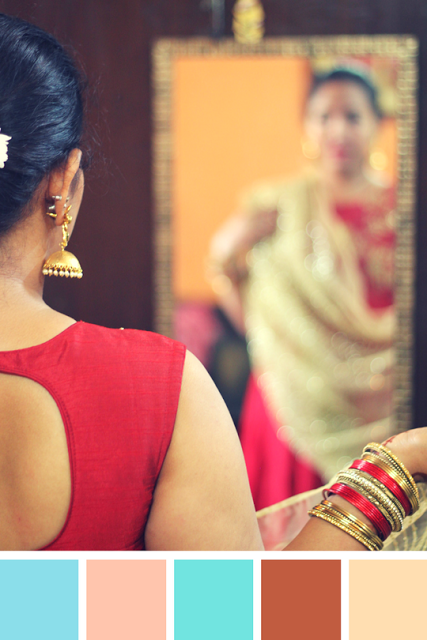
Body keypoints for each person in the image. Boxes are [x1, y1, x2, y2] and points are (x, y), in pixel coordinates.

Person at [1, 13, 426, 553]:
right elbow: (251, 623)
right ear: (62, 182)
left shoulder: (380, 203)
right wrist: (396, 466)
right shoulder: (159, 391)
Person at [209, 66, 397, 510]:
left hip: (385, 398)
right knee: (286, 541)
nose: (337, 129)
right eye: (323, 116)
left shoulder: (403, 206)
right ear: (307, 125)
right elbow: (227, 273)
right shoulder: (280, 204)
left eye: (352, 116)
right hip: (291, 391)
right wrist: (275, 340)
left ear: (377, 124)